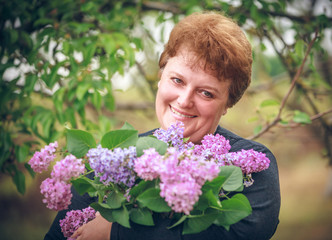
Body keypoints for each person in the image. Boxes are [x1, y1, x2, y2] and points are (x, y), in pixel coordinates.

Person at [44, 11, 280, 240]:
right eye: (177, 80)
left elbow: (248, 230)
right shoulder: (115, 160)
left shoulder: (251, 163)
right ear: (160, 76)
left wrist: (116, 233)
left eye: (206, 93)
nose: (185, 100)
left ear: (228, 103)